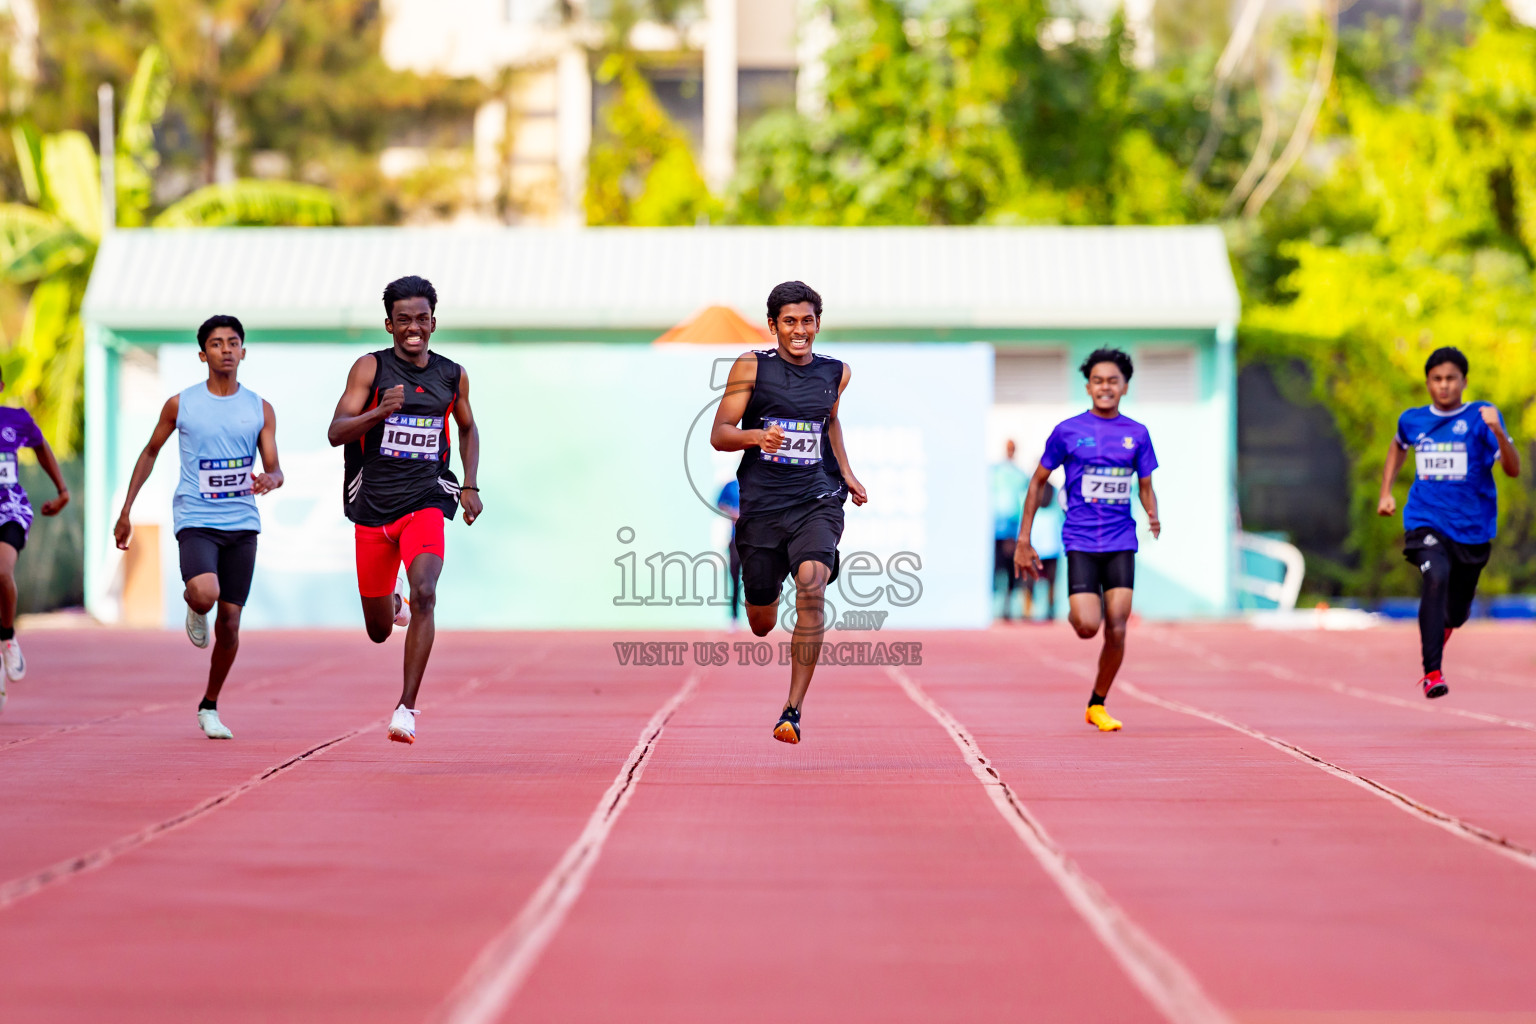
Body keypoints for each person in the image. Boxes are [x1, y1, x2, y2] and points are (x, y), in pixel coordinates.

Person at [327, 276, 482, 745]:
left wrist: (470, 485)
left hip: (425, 500)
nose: (413, 328)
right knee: (377, 630)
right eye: (403, 320)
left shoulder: (452, 375)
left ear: (433, 322)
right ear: (390, 324)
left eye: (421, 319)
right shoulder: (369, 369)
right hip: (373, 507)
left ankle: (406, 708)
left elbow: (469, 428)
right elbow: (336, 431)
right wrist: (378, 413)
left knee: (427, 592)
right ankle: (392, 603)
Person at [711, 280, 867, 744]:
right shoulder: (751, 366)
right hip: (761, 505)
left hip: (816, 498)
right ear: (774, 325)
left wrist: (848, 473)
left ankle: (792, 710)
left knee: (813, 583)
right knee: (761, 621)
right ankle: (762, 590)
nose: (800, 331)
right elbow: (720, 433)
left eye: (807, 321)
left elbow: (830, 422)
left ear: (818, 323)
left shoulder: (837, 372)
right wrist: (757, 437)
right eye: (789, 322)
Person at [112, 315, 282, 740]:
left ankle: (209, 704)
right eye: (217, 343)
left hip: (242, 522)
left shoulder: (260, 408)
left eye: (233, 342)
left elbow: (276, 469)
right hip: (197, 518)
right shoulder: (180, 404)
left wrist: (270, 479)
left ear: (243, 351)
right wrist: (127, 509)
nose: (226, 349)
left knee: (229, 625)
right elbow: (150, 452)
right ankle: (194, 602)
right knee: (206, 592)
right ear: (202, 354)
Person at [1014, 348, 1159, 732]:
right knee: (1087, 626)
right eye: (1098, 381)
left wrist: (1153, 513)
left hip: (1121, 540)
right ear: (1088, 386)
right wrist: (1023, 539)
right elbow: (1037, 482)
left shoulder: (1137, 434)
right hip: (1080, 540)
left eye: (1113, 380)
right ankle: (1078, 610)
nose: (1105, 387)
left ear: (1125, 386)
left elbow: (1145, 485)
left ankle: (1097, 703)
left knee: (1118, 625)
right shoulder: (1068, 432)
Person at [1377, 346, 1520, 698]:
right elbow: (1398, 446)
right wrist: (1386, 491)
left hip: (1472, 529)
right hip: (1425, 519)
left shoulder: (1481, 418)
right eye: (1437, 379)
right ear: (1427, 382)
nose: (1444, 386)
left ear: (1464, 381)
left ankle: (1437, 636)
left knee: (1455, 614)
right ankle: (1432, 672)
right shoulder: (1413, 420)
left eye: (1451, 379)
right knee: (1435, 576)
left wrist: (1499, 432)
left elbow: (1513, 469)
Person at [0, 368, 71, 706]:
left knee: (2, 572)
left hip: (9, 509)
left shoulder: (15, 420)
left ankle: (8, 636)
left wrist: (61, 490)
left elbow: (41, 447)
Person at [991, 440, 1029, 621]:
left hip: (1011, 530)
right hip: (994, 530)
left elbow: (1022, 501)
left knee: (1010, 568)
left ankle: (1008, 605)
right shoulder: (994, 471)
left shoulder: (1020, 474)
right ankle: (993, 605)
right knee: (994, 568)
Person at [1022, 479, 1062, 621]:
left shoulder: (1055, 493)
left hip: (1050, 546)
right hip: (1037, 546)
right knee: (1030, 579)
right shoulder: (1029, 493)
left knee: (1050, 580)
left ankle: (1050, 609)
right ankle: (1028, 610)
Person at [716, 478, 743, 626]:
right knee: (734, 579)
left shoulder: (762, 481)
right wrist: (732, 512)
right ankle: (734, 617)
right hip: (735, 540)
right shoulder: (731, 485)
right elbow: (720, 503)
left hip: (757, 540)